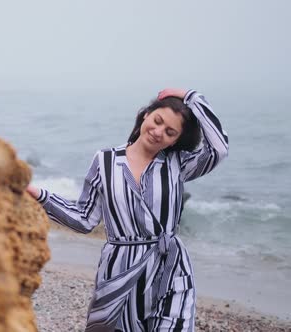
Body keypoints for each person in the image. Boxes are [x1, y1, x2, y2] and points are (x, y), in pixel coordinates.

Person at [26, 88, 228, 332]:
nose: (158, 132)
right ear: (145, 115)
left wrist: (190, 97)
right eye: (157, 121)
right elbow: (84, 218)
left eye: (170, 132)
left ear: (175, 140)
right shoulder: (105, 161)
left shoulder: (178, 163)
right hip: (119, 271)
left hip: (169, 267)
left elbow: (218, 148)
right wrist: (39, 195)